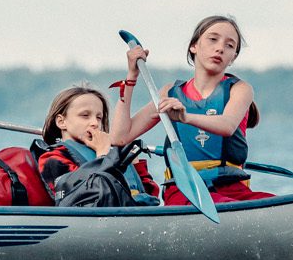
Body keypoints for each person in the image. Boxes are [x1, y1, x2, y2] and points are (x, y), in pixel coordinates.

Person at [111, 15, 270, 205]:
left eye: (229, 45)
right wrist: (131, 76)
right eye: (213, 39)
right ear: (194, 46)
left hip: (232, 188)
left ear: (233, 58)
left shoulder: (240, 89)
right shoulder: (170, 93)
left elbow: (227, 125)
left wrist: (185, 116)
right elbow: (120, 137)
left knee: (273, 203)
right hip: (184, 189)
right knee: (220, 203)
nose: (220, 48)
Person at [36, 83, 159, 204]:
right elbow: (92, 196)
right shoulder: (53, 159)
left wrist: (136, 165)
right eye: (85, 115)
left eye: (99, 117)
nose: (95, 123)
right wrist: (103, 156)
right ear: (61, 122)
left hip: (135, 214)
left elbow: (149, 194)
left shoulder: (112, 154)